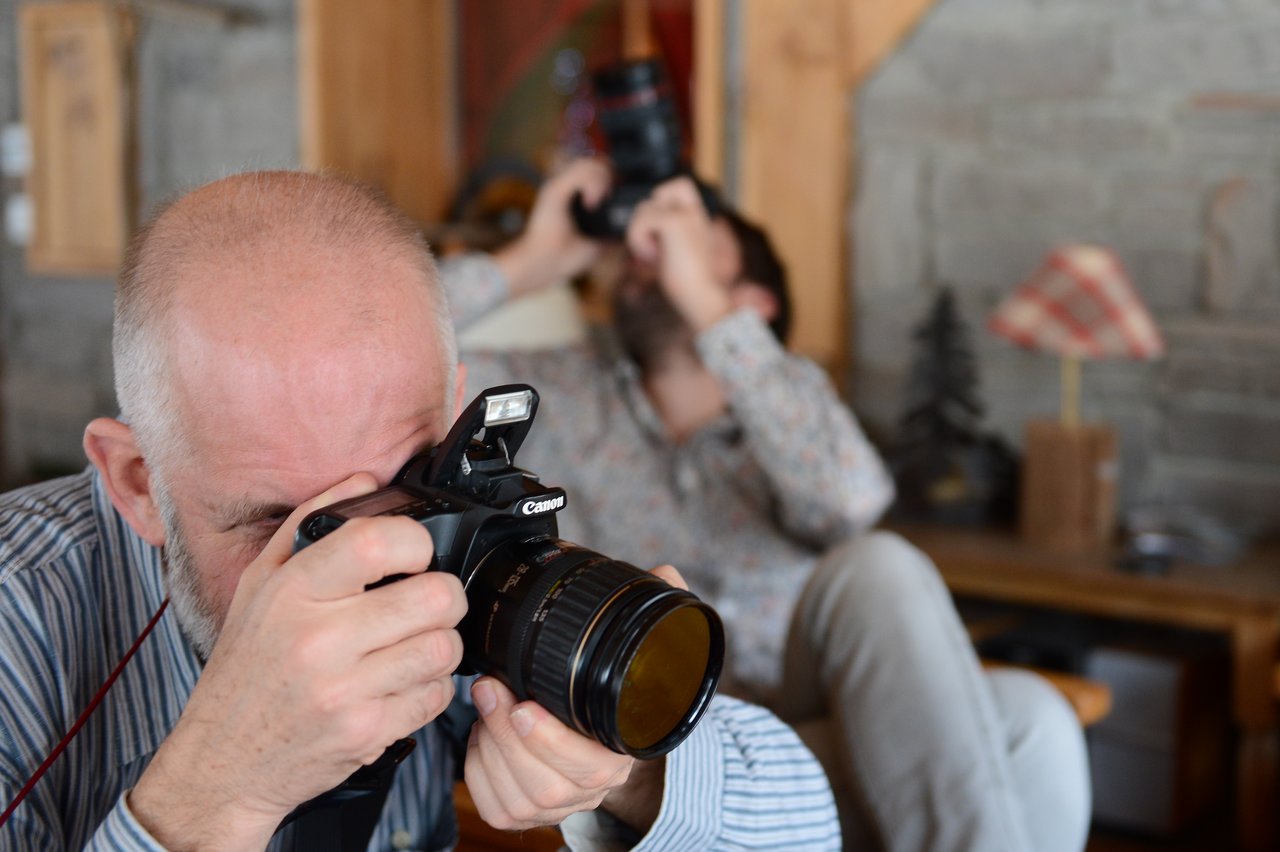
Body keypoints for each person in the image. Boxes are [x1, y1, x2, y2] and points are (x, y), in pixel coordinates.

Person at [0, 171, 843, 851]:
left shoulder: (455, 544)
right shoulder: (20, 621)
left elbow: (804, 824)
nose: (374, 567)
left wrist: (625, 779)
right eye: (286, 524)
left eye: (409, 481)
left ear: (454, 415)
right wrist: (218, 791)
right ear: (139, 481)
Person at [442, 159, 1093, 851]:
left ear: (752, 306)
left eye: (688, 245)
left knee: (879, 568)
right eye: (642, 245)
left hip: (806, 706)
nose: (647, 252)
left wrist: (707, 307)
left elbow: (854, 500)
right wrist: (530, 261)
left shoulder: (785, 401)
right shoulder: (565, 387)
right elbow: (402, 349)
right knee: (1029, 717)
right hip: (675, 735)